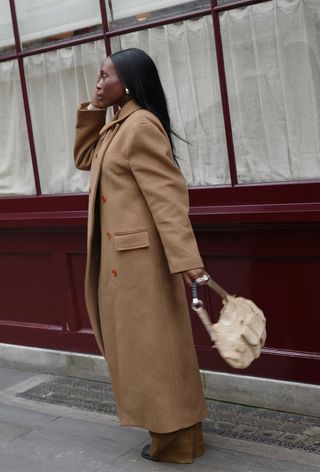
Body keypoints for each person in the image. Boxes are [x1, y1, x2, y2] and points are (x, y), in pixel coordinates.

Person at [74, 48, 208, 464]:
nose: (97, 83)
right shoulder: (118, 124)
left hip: (141, 265)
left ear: (128, 81)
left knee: (156, 354)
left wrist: (188, 261)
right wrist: (94, 109)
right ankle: (178, 438)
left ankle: (174, 443)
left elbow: (167, 199)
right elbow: (83, 159)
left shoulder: (141, 126)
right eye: (97, 76)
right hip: (122, 262)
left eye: (104, 77)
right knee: (147, 353)